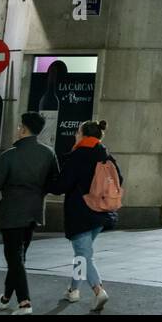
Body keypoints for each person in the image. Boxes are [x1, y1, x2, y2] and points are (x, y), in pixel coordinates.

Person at [0, 112, 59, 315]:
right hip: (34, 211)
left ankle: (24, 303)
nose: (17, 130)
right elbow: (54, 182)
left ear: (23, 129)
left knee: (13, 256)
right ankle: (6, 297)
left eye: (19, 127)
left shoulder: (9, 155)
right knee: (19, 257)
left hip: (13, 211)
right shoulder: (48, 154)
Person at [49, 119, 121, 310]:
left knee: (84, 255)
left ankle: (99, 291)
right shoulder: (105, 153)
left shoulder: (79, 154)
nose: (75, 135)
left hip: (80, 212)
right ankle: (73, 290)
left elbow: (62, 185)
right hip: (101, 212)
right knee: (81, 254)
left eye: (77, 132)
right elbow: (118, 178)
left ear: (83, 135)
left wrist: (47, 184)